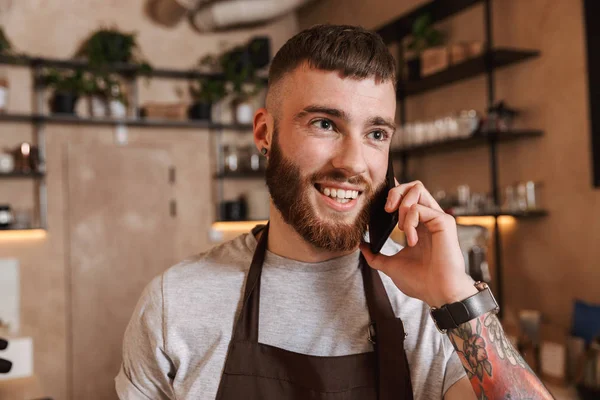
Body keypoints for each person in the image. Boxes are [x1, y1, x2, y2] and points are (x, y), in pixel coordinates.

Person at [115, 24, 554, 400]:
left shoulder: (429, 310)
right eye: (325, 124)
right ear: (265, 133)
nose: (354, 163)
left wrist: (457, 296)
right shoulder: (177, 304)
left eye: (376, 133)